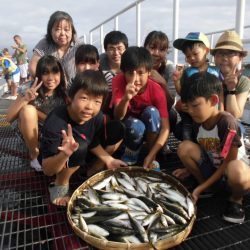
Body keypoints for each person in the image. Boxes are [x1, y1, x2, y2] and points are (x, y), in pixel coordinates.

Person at [40, 70, 127, 206]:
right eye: (84, 98)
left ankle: (93, 168)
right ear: (70, 98)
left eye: (97, 101)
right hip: (57, 160)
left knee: (118, 128)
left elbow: (92, 141)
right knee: (79, 146)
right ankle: (59, 185)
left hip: (81, 150)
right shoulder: (55, 122)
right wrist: (64, 154)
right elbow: (47, 169)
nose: (90, 107)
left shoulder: (96, 116)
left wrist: (108, 159)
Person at [174, 72, 249, 223]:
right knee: (184, 147)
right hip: (215, 170)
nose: (191, 111)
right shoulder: (198, 121)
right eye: (189, 107)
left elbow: (228, 162)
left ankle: (236, 200)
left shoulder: (227, 123)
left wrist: (199, 188)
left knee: (236, 169)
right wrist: (188, 169)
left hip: (232, 174)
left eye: (195, 105)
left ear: (213, 100)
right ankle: (208, 188)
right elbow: (204, 150)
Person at [111, 46, 170, 169]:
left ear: (149, 72)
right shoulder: (118, 80)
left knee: (152, 113)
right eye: (130, 73)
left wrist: (152, 154)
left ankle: (151, 155)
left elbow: (165, 128)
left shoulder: (156, 90)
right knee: (136, 125)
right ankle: (131, 153)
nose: (135, 79)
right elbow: (118, 116)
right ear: (123, 72)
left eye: (140, 73)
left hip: (149, 127)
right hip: (128, 126)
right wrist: (126, 98)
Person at [6, 55, 67, 172]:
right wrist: (25, 99)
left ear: (61, 74)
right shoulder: (28, 88)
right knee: (28, 110)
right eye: (45, 73)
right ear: (39, 75)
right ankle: (34, 154)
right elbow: (8, 118)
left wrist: (39, 114)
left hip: (50, 131)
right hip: (28, 129)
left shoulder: (64, 93)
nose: (50, 78)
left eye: (55, 72)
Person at [172, 32, 220, 141]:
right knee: (187, 126)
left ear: (206, 51)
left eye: (195, 54)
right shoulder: (187, 72)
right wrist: (177, 81)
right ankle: (189, 142)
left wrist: (221, 111)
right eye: (188, 56)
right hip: (192, 111)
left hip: (212, 111)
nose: (192, 58)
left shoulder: (215, 71)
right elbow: (183, 93)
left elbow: (220, 92)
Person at [29, 10, 84, 85]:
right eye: (57, 29)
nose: (62, 33)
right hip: (52, 90)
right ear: (50, 31)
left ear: (72, 31)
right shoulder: (44, 43)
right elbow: (33, 66)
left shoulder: (79, 45)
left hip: (74, 89)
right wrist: (45, 83)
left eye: (66, 29)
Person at [211, 31, 250, 135]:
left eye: (231, 53)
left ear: (240, 57)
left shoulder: (243, 81)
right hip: (208, 120)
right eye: (220, 53)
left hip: (229, 123)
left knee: (234, 129)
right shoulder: (208, 76)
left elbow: (235, 115)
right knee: (180, 128)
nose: (224, 58)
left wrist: (231, 89)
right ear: (214, 56)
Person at [144, 31, 177, 150]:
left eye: (162, 49)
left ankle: (162, 143)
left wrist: (162, 82)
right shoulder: (138, 64)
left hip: (160, 109)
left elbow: (170, 103)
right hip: (139, 109)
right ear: (145, 47)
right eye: (152, 48)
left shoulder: (169, 68)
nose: (156, 53)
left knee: (172, 114)